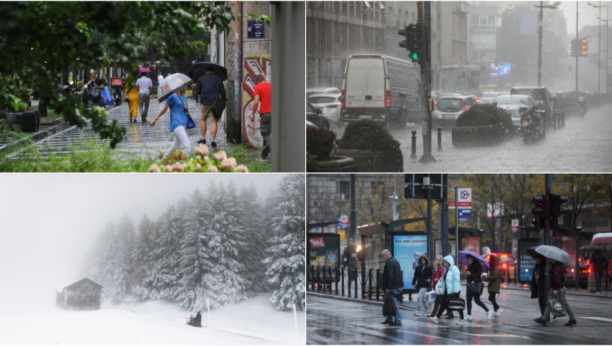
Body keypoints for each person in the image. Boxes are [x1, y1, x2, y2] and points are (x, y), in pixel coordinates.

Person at [534, 259, 577, 327]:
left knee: (565, 304)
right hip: (557, 288)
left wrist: (555, 288)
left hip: (558, 288)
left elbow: (556, 279)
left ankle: (573, 318)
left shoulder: (556, 267)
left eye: (550, 259)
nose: (549, 260)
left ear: (553, 260)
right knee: (549, 302)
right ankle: (544, 319)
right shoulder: (555, 266)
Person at [150, 86, 191, 157]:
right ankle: (187, 162)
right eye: (182, 87)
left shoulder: (184, 97)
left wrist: (187, 108)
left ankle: (164, 159)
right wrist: (155, 119)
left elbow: (186, 110)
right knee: (187, 144)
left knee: (176, 145)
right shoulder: (172, 97)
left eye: (184, 87)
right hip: (177, 124)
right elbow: (164, 110)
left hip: (184, 123)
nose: (184, 88)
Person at [195, 66, 226, 149]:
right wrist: (224, 100)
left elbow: (197, 91)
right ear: (213, 71)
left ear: (206, 71)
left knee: (203, 119)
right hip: (215, 102)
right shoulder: (218, 78)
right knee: (214, 121)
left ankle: (203, 138)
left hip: (204, 101)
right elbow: (222, 91)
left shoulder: (201, 78)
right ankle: (212, 140)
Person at [430, 255, 465, 325]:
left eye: (444, 262)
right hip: (447, 290)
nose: (443, 263)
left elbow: (456, 281)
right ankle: (437, 317)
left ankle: (462, 319)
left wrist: (455, 292)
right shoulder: (447, 270)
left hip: (454, 291)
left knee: (457, 305)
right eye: (443, 262)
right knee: (443, 304)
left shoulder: (455, 269)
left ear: (449, 262)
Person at [249, 75, 272, 159]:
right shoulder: (272, 86)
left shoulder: (258, 87)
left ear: (258, 82)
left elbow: (255, 102)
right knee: (267, 135)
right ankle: (263, 156)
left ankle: (277, 153)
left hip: (265, 114)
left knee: (266, 135)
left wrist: (252, 114)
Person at [465, 254, 493, 321]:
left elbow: (478, 274)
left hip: (475, 285)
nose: (467, 260)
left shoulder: (476, 264)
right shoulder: (470, 265)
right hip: (470, 284)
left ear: (471, 258)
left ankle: (488, 311)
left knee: (477, 300)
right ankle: (469, 315)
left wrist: (470, 274)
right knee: (468, 300)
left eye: (468, 259)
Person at [380, 249, 403, 327]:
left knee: (393, 303)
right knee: (388, 301)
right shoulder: (395, 261)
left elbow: (390, 275)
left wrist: (388, 287)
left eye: (383, 256)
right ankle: (389, 318)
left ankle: (398, 320)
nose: (383, 257)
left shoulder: (389, 262)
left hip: (391, 286)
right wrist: (400, 285)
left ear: (386, 255)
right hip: (395, 285)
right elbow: (399, 274)